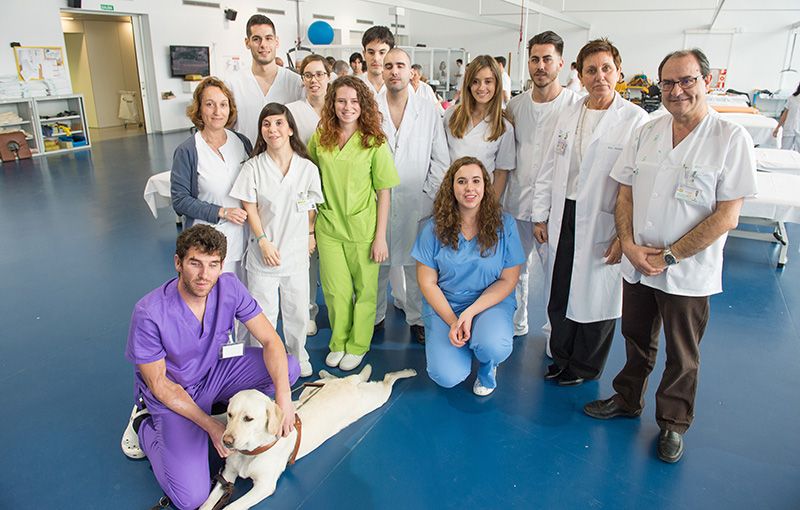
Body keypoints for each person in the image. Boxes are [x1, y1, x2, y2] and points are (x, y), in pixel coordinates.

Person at [584, 48, 757, 463]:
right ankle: (627, 399)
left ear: (707, 82)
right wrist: (627, 243)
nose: (677, 90)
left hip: (687, 270)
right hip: (638, 261)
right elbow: (624, 190)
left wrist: (671, 257)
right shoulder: (648, 131)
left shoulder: (729, 139)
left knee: (682, 352)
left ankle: (673, 424)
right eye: (668, 83)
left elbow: (727, 216)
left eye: (687, 81)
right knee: (637, 338)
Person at [121, 225, 300, 510]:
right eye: (195, 263)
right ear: (178, 262)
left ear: (221, 265)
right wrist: (212, 427)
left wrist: (284, 400)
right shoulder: (150, 313)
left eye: (213, 265)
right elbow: (160, 385)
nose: (205, 275)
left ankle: (226, 413)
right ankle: (143, 424)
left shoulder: (228, 287)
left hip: (214, 375)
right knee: (190, 498)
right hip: (174, 393)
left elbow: (270, 340)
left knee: (288, 368)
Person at [532, 38, 649, 386]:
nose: (599, 76)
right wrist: (540, 214)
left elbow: (639, 185)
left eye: (606, 68)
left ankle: (584, 366)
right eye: (591, 70)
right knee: (561, 288)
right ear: (579, 75)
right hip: (564, 212)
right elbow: (548, 166)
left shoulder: (635, 120)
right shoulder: (569, 113)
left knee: (597, 295)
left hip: (606, 219)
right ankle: (562, 355)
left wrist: (623, 236)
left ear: (619, 72)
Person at [307, 76, 400, 371]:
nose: (348, 107)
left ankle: (358, 344)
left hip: (364, 228)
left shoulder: (374, 141)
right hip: (329, 226)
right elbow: (307, 180)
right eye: (341, 101)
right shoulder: (320, 138)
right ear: (332, 103)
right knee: (336, 291)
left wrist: (380, 237)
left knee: (366, 291)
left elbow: (384, 191)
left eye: (354, 101)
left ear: (364, 105)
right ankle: (339, 341)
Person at [413, 157, 525, 396]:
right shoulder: (432, 229)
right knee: (446, 375)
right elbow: (427, 282)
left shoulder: (505, 225)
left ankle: (487, 364)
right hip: (446, 304)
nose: (469, 188)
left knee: (494, 346)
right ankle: (464, 342)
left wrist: (471, 313)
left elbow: (508, 279)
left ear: (485, 186)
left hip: (489, 303)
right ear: (451, 188)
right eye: (461, 181)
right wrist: (454, 321)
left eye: (476, 181)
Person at [230, 103, 323, 378]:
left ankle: (297, 356)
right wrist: (262, 241)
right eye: (266, 124)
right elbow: (250, 208)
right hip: (264, 254)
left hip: (295, 253)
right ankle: (262, 362)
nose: (273, 129)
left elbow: (310, 207)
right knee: (263, 316)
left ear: (291, 128)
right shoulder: (253, 167)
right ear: (261, 130)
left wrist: (309, 235)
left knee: (297, 313)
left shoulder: (306, 168)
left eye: (279, 123)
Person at [502, 31, 579, 338]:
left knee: (555, 274)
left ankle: (553, 329)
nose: (540, 66)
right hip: (517, 203)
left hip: (555, 208)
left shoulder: (575, 107)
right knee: (516, 270)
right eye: (535, 59)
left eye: (548, 59)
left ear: (560, 64)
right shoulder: (516, 107)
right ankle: (516, 322)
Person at [374, 48, 450, 344]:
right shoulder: (370, 107)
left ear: (410, 72)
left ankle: (417, 319)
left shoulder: (428, 109)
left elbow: (440, 160)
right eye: (389, 65)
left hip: (416, 202)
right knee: (376, 266)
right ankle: (375, 317)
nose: (394, 71)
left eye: (400, 66)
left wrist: (425, 198)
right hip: (378, 203)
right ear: (382, 70)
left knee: (415, 267)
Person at [171, 77, 252, 276]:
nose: (217, 112)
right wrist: (221, 212)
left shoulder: (241, 142)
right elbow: (180, 201)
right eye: (210, 104)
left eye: (223, 104)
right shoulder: (188, 150)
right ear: (198, 109)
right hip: (206, 243)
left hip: (245, 239)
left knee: (243, 297)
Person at [287, 55, 331, 337]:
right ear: (301, 79)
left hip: (336, 191)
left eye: (319, 74)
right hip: (302, 191)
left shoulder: (341, 106)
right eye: (308, 75)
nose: (314, 80)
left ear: (329, 76)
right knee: (307, 254)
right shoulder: (292, 111)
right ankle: (309, 311)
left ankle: (341, 307)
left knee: (334, 255)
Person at [443, 55, 515, 199]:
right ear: (468, 84)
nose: (481, 88)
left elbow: (501, 173)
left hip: (481, 199)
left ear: (497, 84)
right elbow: (441, 159)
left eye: (488, 81)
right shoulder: (451, 115)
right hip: (450, 195)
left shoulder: (503, 126)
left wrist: (489, 208)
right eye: (475, 82)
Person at [225, 14, 304, 145]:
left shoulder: (295, 83)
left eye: (268, 38)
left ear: (276, 41)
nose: (263, 45)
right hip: (245, 159)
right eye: (256, 39)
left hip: (284, 161)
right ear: (247, 43)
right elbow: (225, 128)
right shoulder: (232, 84)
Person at [360, 26, 394, 95]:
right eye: (371, 52)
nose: (376, 58)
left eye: (382, 53)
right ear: (364, 54)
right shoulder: (355, 86)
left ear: (391, 54)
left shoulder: (402, 88)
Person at [773, 81, 800, 151]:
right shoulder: (792, 98)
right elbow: (785, 114)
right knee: (784, 151)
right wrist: (777, 128)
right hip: (789, 130)